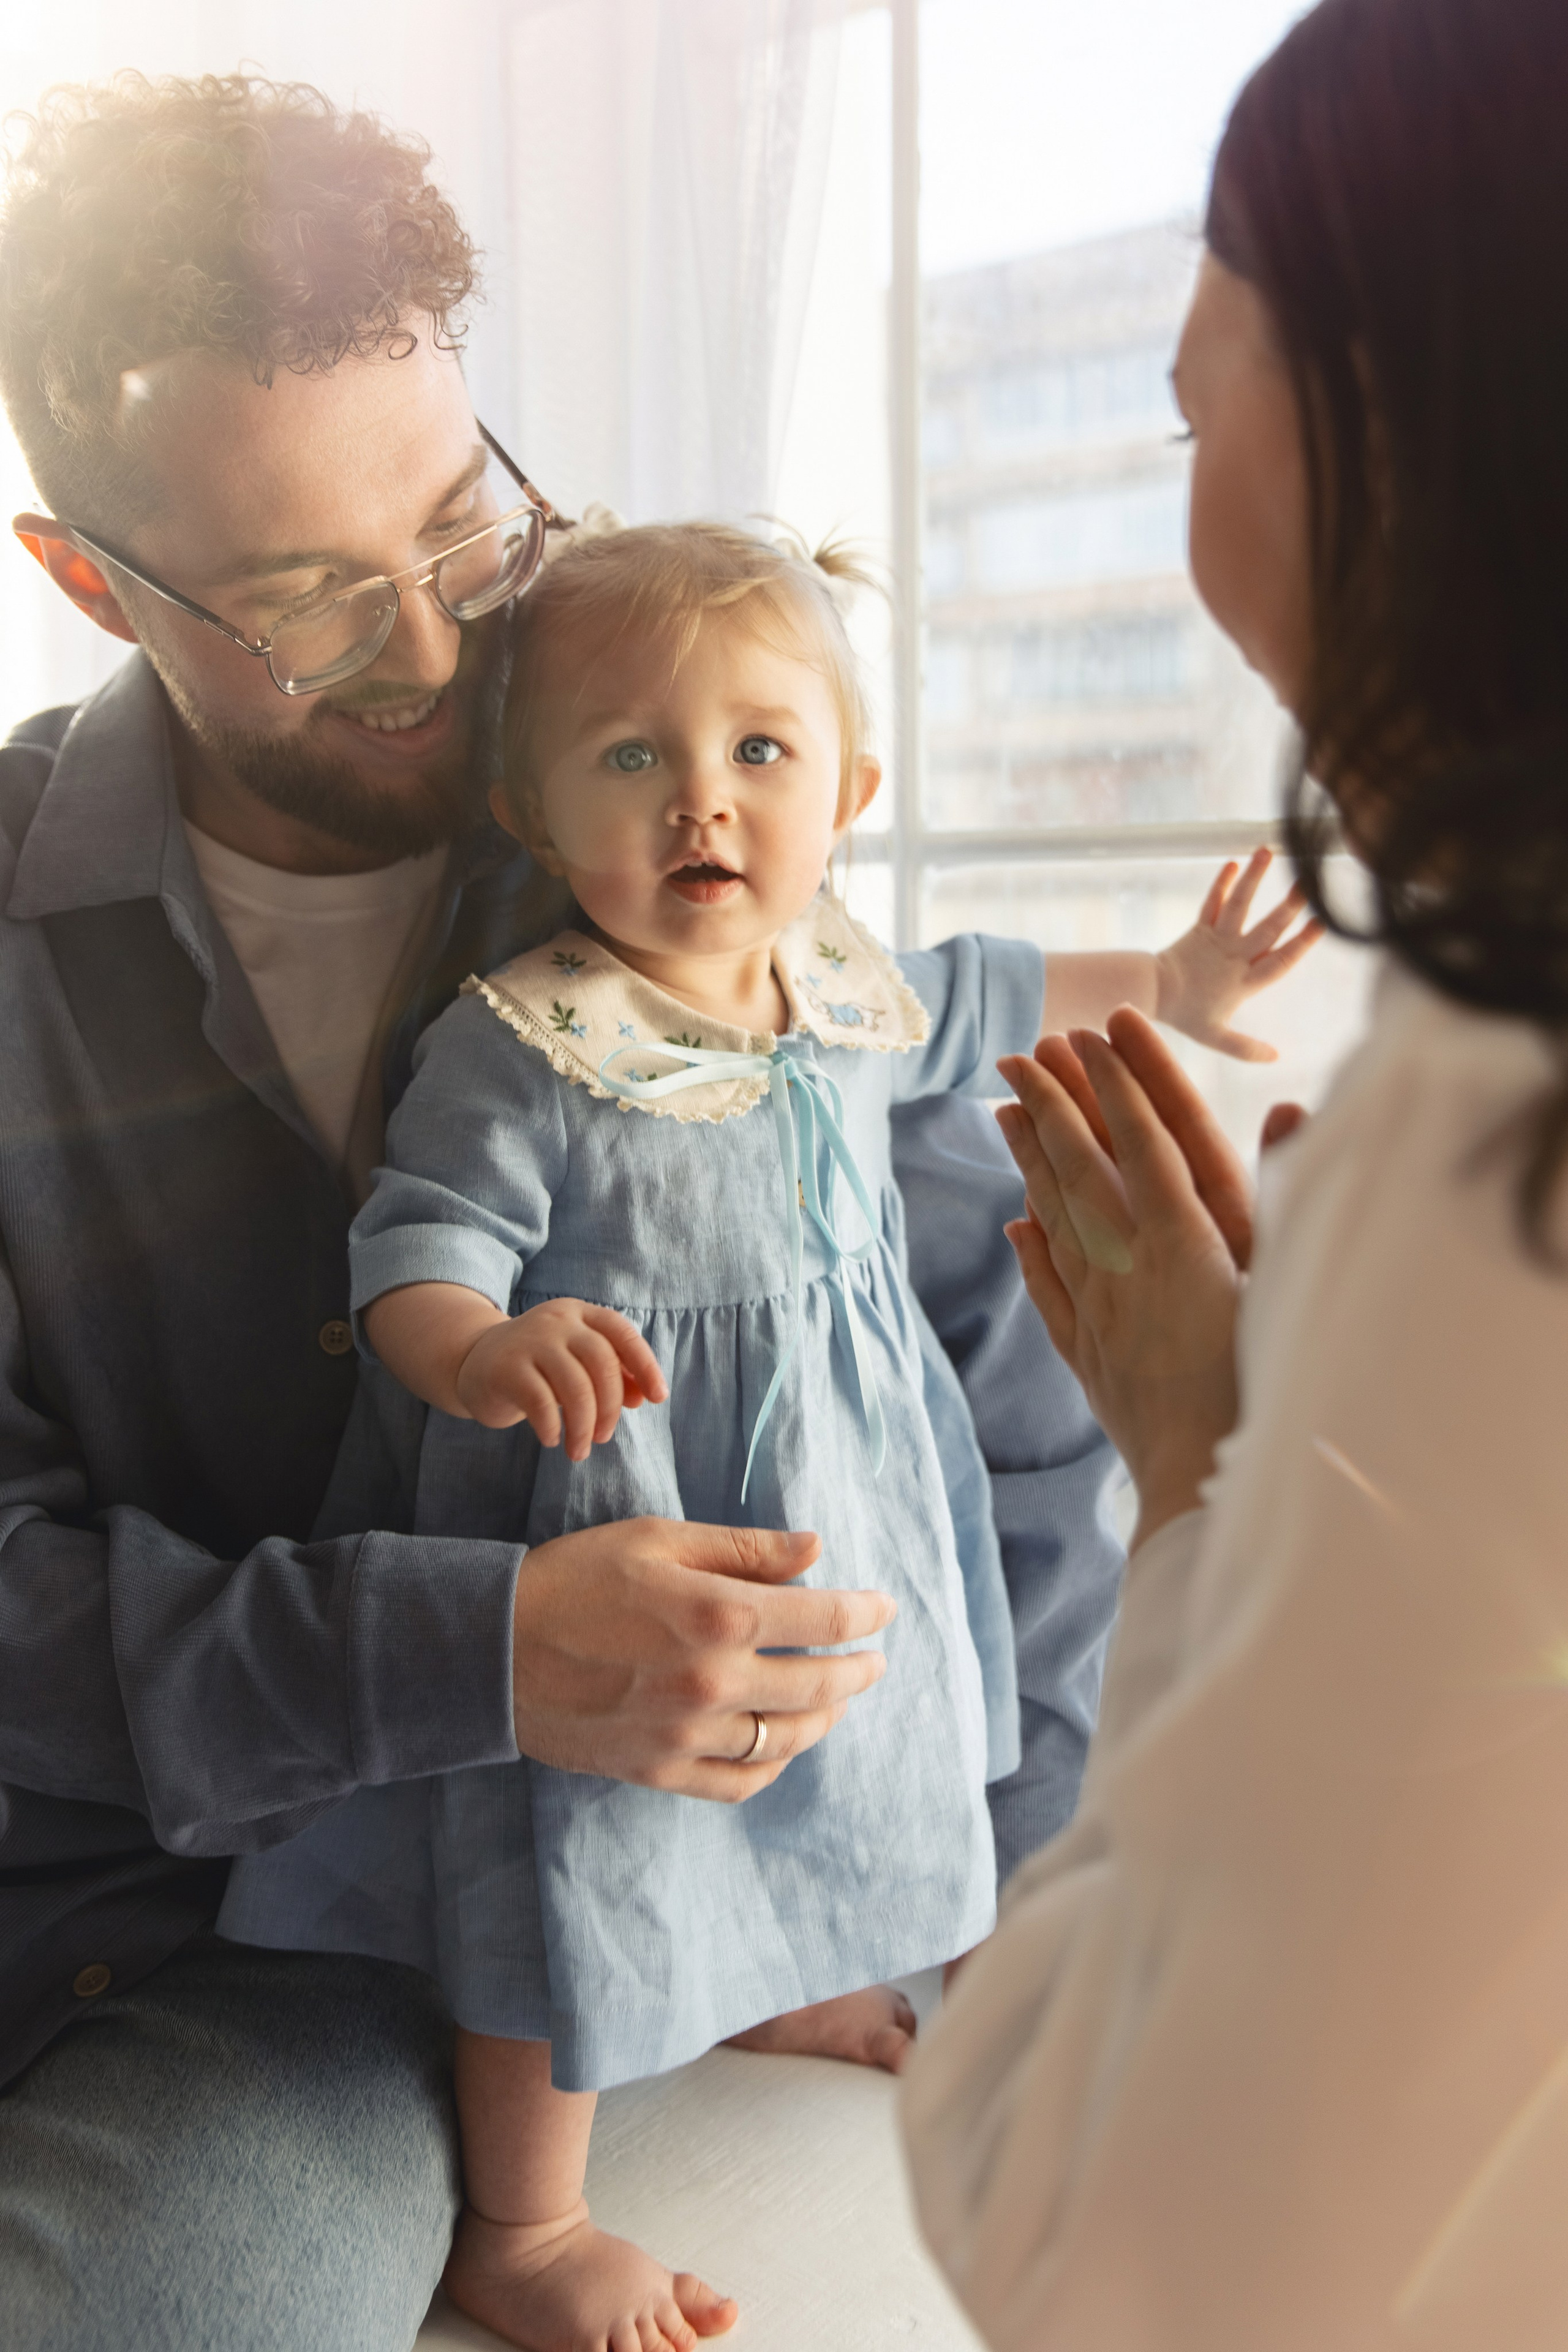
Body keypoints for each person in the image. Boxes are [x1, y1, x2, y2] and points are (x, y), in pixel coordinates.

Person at [0, 73, 1126, 2352]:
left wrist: (952, 1900)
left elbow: (995, 1400)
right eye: (315, 603)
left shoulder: (678, 795)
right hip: (132, 1866)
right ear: (86, 578)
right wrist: (480, 1651)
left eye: (464, 529)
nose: (434, 658)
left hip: (378, 1937)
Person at [219, 515, 1317, 2352]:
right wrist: (485, 1351)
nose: (701, 807)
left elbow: (1012, 986)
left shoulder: (851, 984)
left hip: (844, 1501)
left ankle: (765, 1980)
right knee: (571, 1857)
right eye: (633, 759)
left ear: (852, 786)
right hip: (620, 1539)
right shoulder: (533, 1040)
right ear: (532, 807)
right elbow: (414, 1246)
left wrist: (1182, 992)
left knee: (845, 1779)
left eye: (759, 753)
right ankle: (532, 2218)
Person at [901, 0, 1568, 2344]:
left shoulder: (1494, 1138)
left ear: (1408, 408)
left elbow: (1112, 2232)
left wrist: (1212, 1458)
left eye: (1199, 407)